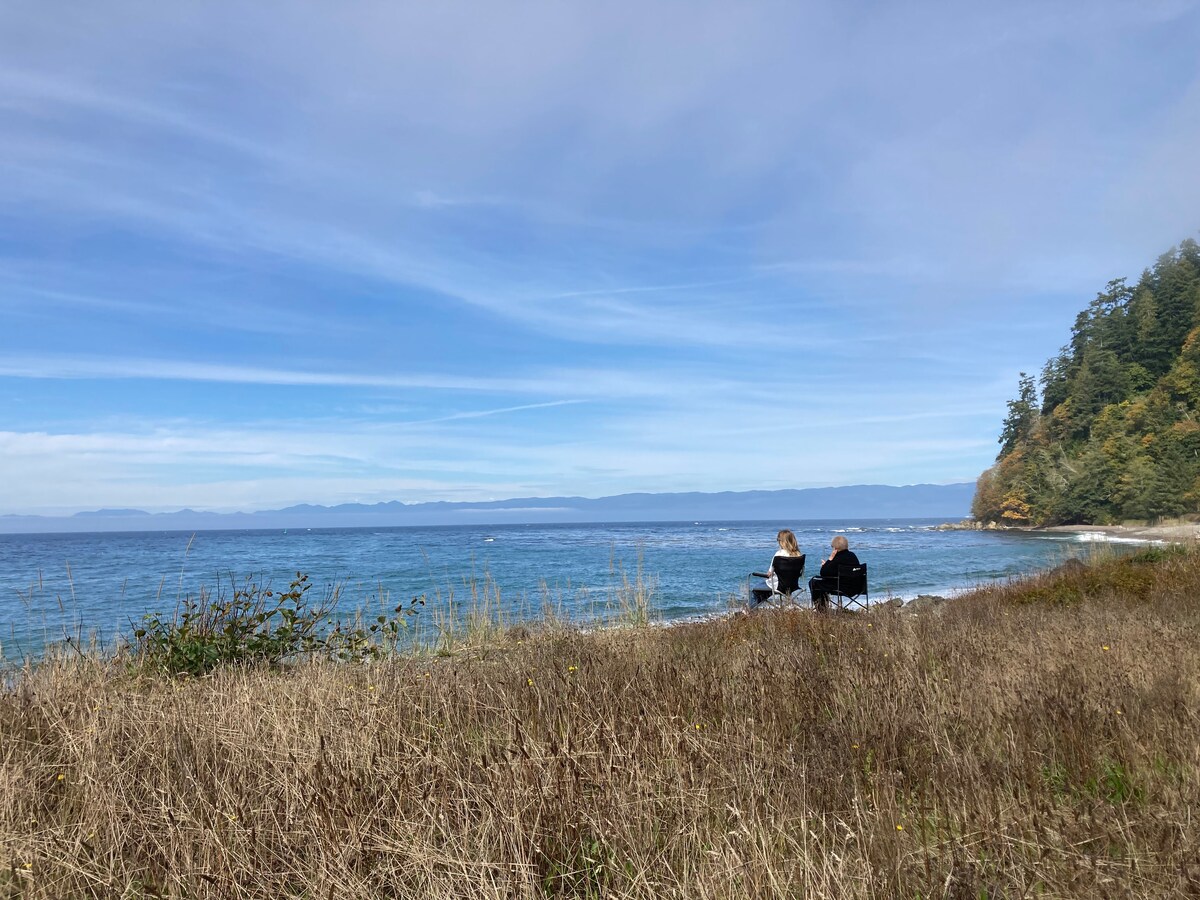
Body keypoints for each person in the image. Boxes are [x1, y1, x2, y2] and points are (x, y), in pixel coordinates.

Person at [808, 535, 861, 610]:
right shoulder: (852, 555)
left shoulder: (838, 558)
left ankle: (822, 610)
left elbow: (823, 573)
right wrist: (828, 565)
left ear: (835, 548)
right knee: (822, 583)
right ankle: (823, 608)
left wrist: (829, 560)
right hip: (857, 588)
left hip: (842, 588)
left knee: (814, 582)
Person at [751, 529, 803, 604]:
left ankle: (749, 609)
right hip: (793, 586)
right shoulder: (799, 555)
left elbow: (770, 573)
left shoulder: (779, 555)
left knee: (755, 591)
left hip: (777, 586)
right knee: (764, 589)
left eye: (778, 540)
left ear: (781, 541)